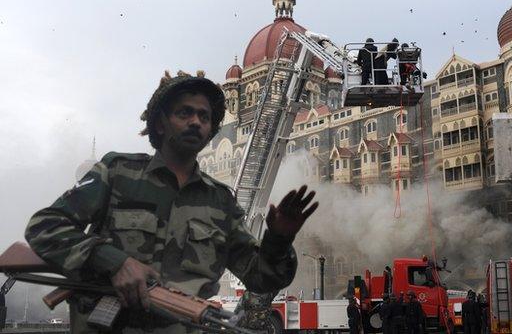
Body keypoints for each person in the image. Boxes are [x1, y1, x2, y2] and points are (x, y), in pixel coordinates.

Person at [24, 70, 319, 334]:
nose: (196, 122)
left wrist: (279, 239)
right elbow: (44, 227)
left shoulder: (220, 202)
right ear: (161, 123)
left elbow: (262, 279)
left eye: (205, 117)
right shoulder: (117, 173)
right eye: (184, 113)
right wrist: (115, 263)